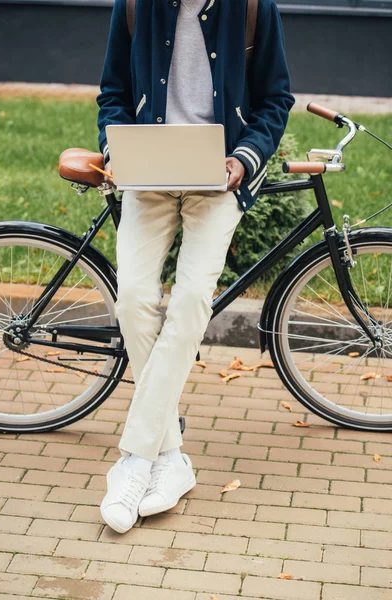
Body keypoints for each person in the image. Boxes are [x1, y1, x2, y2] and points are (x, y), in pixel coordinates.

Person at [96, 0, 295, 534]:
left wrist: (245, 157)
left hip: (220, 178)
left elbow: (276, 99)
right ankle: (171, 455)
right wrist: (115, 152)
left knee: (189, 301)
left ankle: (135, 460)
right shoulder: (136, 5)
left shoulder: (253, 8)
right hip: (148, 174)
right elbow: (112, 92)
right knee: (134, 298)